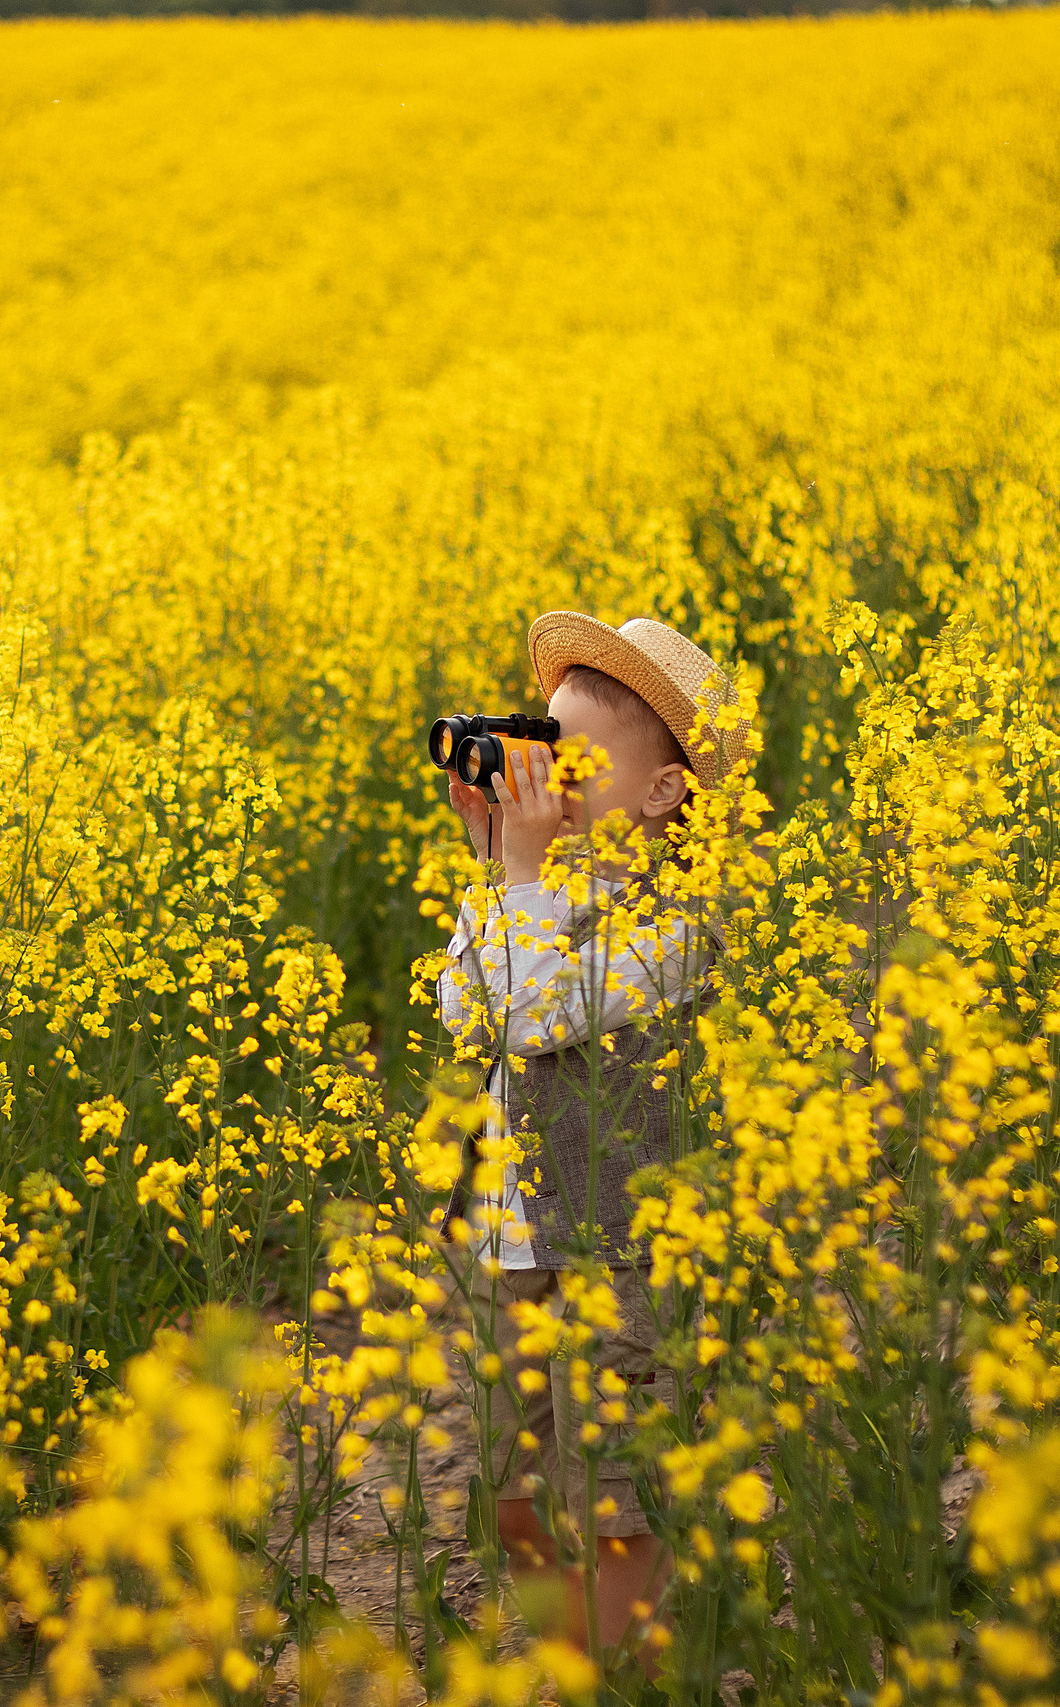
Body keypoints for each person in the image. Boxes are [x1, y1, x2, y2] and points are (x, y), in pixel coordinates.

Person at [435, 612, 747, 1666]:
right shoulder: (538, 886)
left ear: (660, 793)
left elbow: (538, 1017)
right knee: (510, 1483)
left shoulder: (677, 925)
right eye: (539, 745)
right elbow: (467, 1009)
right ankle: (574, 1661)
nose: (545, 777)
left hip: (623, 1247)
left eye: (573, 760)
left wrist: (522, 874)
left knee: (616, 1496)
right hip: (511, 1236)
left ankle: (632, 1675)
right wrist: (497, 859)